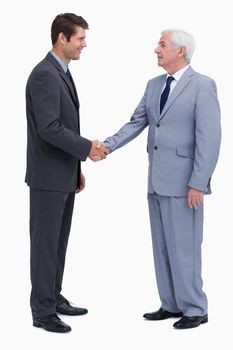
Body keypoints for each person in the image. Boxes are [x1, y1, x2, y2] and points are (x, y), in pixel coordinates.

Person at [99, 29, 221, 329]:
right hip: (156, 179)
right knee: (162, 246)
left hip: (184, 184)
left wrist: (198, 182)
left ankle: (195, 308)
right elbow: (137, 121)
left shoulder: (202, 86)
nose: (156, 49)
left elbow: (210, 138)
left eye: (162, 45)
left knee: (185, 247)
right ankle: (170, 304)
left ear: (181, 51)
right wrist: (106, 146)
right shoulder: (154, 85)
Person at [25, 13, 107, 333]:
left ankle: (52, 296)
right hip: (47, 178)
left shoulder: (62, 72)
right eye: (80, 39)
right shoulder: (45, 74)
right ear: (62, 37)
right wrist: (87, 148)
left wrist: (76, 169)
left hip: (62, 175)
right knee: (45, 244)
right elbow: (49, 128)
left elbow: (62, 124)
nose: (84, 44)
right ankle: (42, 311)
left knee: (58, 242)